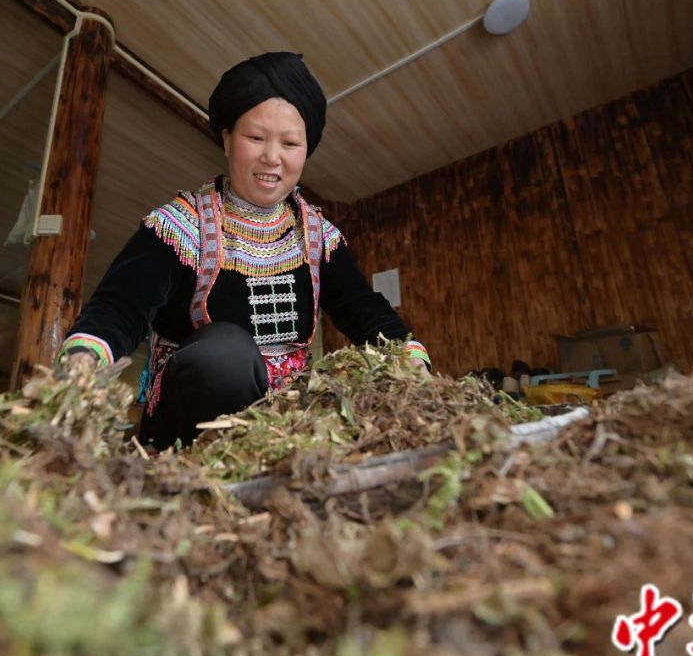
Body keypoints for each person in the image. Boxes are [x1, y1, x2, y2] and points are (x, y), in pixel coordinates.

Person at [59, 51, 429, 449]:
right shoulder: (177, 227)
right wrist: (83, 363)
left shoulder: (319, 236)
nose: (272, 157)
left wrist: (411, 361)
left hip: (283, 427)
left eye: (290, 143)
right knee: (225, 354)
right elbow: (120, 307)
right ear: (227, 139)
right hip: (189, 425)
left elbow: (363, 309)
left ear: (306, 151)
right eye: (255, 138)